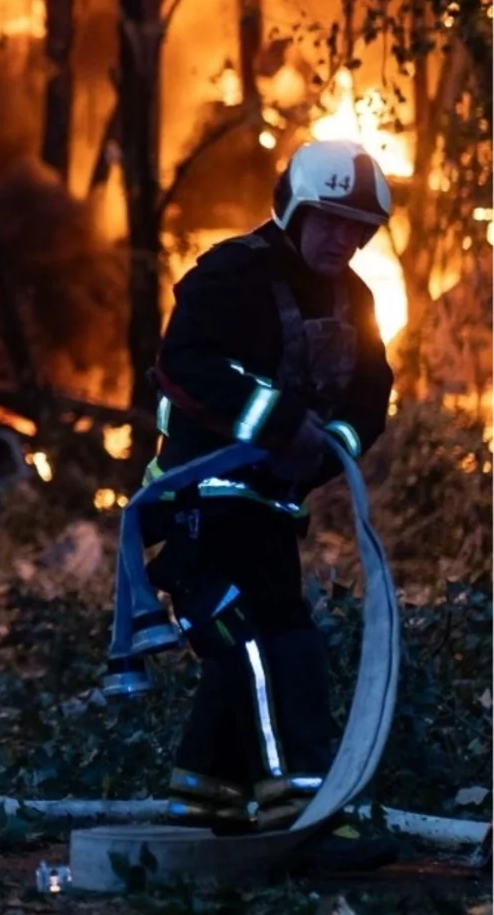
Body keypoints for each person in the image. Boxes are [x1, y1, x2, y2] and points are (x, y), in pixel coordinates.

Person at [138, 138, 395, 863]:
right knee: (264, 647)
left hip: (270, 510)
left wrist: (324, 447)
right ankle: (301, 813)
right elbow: (182, 365)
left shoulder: (357, 300)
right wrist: (280, 422)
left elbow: (368, 401)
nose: (343, 240)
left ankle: (208, 799)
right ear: (293, 209)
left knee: (265, 645)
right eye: (331, 221)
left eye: (358, 228)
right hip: (199, 505)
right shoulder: (232, 275)